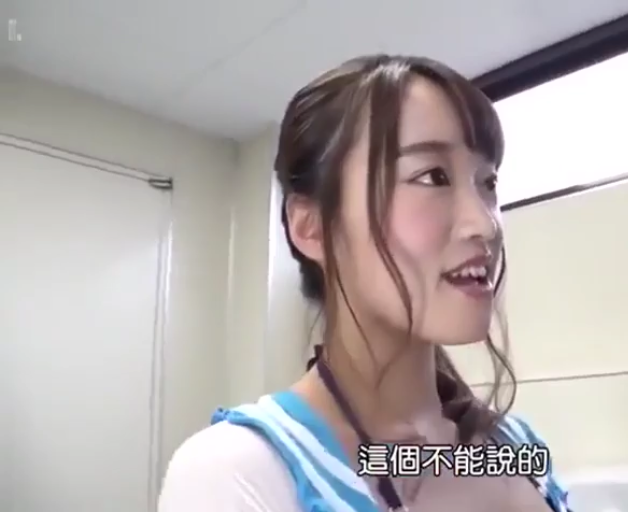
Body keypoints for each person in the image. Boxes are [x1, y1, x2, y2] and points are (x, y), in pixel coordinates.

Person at [157, 54, 571, 512]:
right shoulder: (237, 471)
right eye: (432, 177)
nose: (485, 224)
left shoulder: (516, 446)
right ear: (313, 227)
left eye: (487, 182)